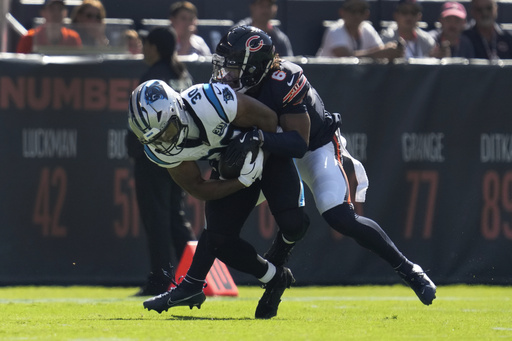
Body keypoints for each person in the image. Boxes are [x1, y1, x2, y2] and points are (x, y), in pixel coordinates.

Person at [210, 26, 437, 307]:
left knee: (338, 214)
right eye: (223, 68)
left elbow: (297, 144)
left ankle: (408, 269)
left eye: (232, 69)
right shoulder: (226, 89)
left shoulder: (284, 79)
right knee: (224, 224)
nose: (225, 76)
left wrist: (257, 136)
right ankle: (268, 276)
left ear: (255, 68)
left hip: (313, 147)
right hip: (270, 153)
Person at [130, 76, 309, 317]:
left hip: (267, 149)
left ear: (176, 109)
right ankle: (275, 278)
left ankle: (193, 284)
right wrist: (242, 181)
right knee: (218, 239)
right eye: (155, 138)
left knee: (294, 223)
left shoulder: (208, 101)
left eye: (167, 131)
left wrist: (259, 155)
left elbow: (268, 119)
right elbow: (197, 187)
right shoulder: (159, 148)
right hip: (232, 169)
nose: (165, 140)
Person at [125, 27, 196, 296]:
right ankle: (196, 275)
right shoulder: (182, 74)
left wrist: (136, 149)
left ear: (154, 47)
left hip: (154, 157)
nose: (143, 48)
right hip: (182, 156)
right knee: (175, 217)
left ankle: (160, 279)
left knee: (157, 218)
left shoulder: (153, 78)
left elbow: (141, 123)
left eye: (146, 43)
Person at [316, 0, 404, 60]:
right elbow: (344, 57)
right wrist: (380, 53)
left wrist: (391, 51)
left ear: (367, 14)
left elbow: (379, 51)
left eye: (361, 11)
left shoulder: (367, 29)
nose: (357, 15)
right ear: (342, 12)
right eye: (352, 10)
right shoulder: (335, 30)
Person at [16, 0, 82, 54]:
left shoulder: (73, 38)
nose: (56, 13)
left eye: (60, 9)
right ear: (43, 12)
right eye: (52, 9)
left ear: (65, 13)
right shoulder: (29, 38)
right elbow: (20, 66)